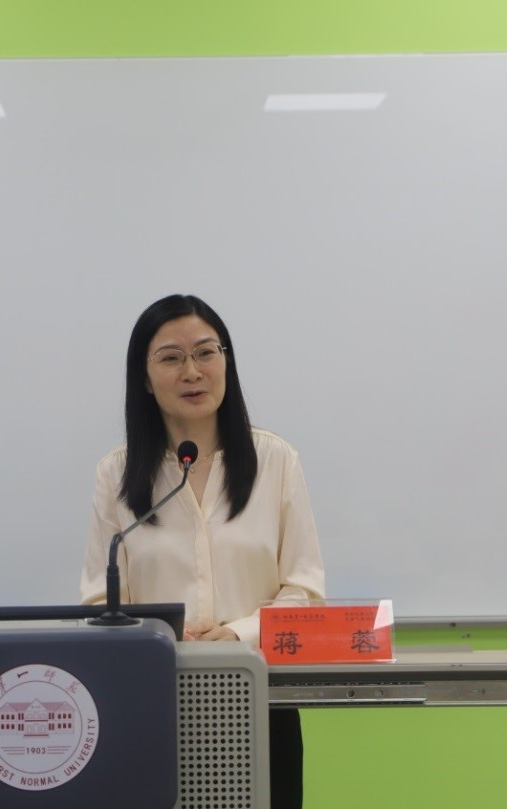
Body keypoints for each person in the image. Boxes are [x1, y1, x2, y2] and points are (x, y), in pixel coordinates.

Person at [80, 293, 325, 809]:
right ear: (145, 379)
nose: (192, 371)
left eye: (206, 353)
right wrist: (161, 634)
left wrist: (237, 635)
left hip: (259, 697)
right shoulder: (116, 474)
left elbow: (304, 591)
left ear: (226, 362)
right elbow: (100, 601)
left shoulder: (275, 460)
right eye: (171, 357)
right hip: (153, 699)